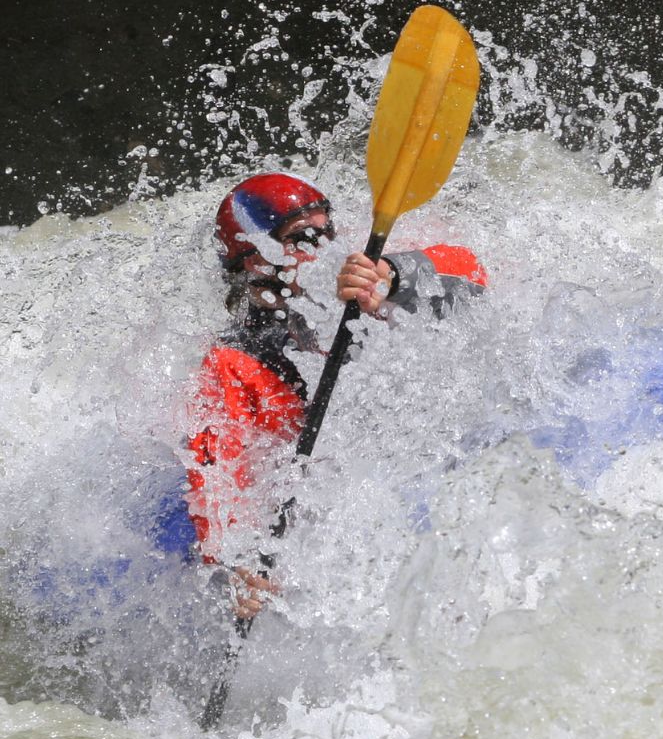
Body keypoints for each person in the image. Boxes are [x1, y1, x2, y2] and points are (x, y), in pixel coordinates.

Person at [185, 172, 486, 614]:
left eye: (327, 231)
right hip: (332, 529)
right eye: (305, 237)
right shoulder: (233, 365)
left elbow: (474, 275)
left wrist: (393, 277)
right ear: (254, 262)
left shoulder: (366, 290)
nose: (324, 248)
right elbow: (217, 486)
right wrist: (236, 569)